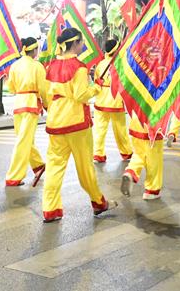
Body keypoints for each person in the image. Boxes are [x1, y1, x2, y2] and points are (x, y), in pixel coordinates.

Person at [41, 27, 114, 223]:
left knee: (55, 167)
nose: (83, 45)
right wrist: (97, 87)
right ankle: (98, 202)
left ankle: (50, 209)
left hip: (55, 122)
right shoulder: (80, 68)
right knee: (85, 167)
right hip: (76, 123)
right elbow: (81, 95)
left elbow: (46, 96)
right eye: (81, 42)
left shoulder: (51, 66)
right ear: (75, 44)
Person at [3, 37, 50, 187]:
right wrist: (48, 105)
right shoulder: (37, 66)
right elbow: (43, 89)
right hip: (30, 104)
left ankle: (38, 166)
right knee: (24, 140)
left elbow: (11, 87)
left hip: (18, 104)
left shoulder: (15, 65)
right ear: (35, 50)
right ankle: (14, 176)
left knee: (24, 138)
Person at [92, 39, 133, 164]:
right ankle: (126, 152)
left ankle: (98, 154)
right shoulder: (121, 64)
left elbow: (96, 82)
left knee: (99, 129)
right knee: (120, 129)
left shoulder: (101, 65)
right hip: (116, 101)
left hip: (101, 101)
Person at [122, 114, 165, 200]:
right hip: (154, 127)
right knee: (154, 161)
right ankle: (151, 191)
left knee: (138, 154)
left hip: (137, 124)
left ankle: (131, 172)